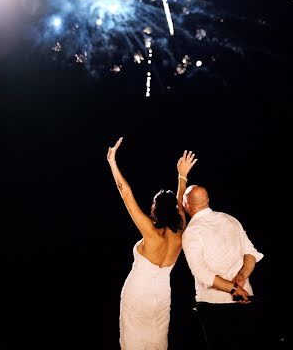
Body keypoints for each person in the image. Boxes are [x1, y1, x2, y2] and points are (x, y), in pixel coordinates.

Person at [106, 137, 197, 350]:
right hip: (162, 294)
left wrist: (112, 162)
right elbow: (181, 202)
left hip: (138, 293)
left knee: (134, 342)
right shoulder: (180, 231)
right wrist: (182, 175)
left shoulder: (150, 232)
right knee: (157, 343)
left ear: (155, 210)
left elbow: (125, 193)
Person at [182, 184, 264, 349]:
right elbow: (251, 254)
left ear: (186, 204)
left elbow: (202, 274)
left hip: (215, 307)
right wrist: (241, 280)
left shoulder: (191, 232)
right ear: (208, 201)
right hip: (245, 300)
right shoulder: (230, 219)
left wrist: (234, 289)